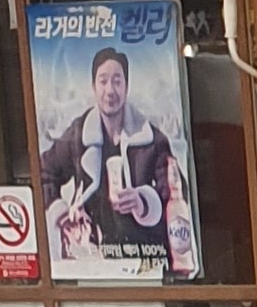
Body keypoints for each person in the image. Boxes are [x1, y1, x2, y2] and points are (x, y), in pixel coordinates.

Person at [37, 46, 184, 273]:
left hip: (145, 259)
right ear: (93, 87)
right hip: (94, 259)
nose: (110, 90)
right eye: (103, 81)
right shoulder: (79, 135)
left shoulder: (151, 139)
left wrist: (144, 202)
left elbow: (177, 195)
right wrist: (63, 213)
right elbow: (43, 172)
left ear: (127, 86)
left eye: (117, 81)